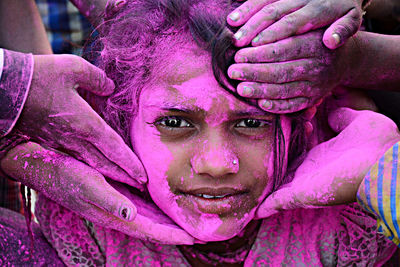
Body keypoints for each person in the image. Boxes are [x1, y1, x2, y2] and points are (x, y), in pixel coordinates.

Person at [1, 0, 399, 265]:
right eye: (174, 122)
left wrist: (382, 180)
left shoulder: (346, 223)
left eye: (250, 123)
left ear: (298, 126)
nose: (216, 165)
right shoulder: (87, 227)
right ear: (118, 123)